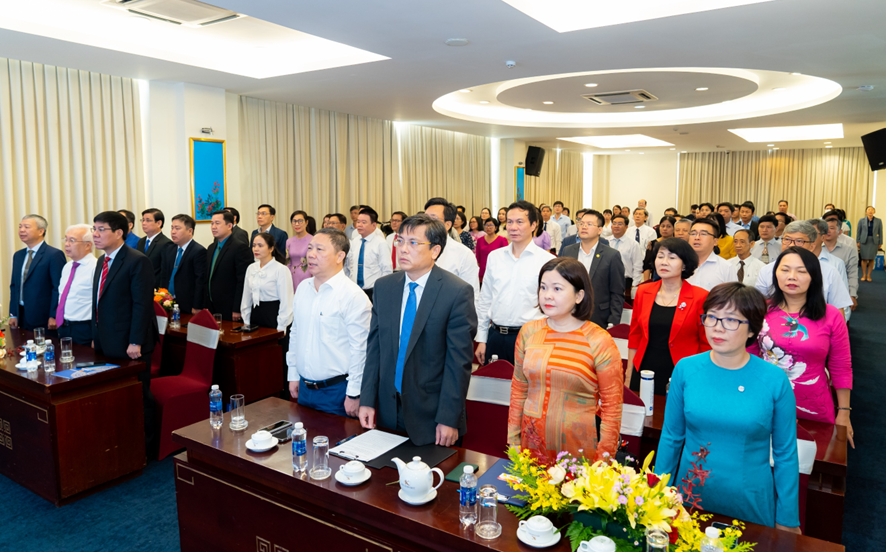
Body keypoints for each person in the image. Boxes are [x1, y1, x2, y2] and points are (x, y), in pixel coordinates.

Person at [655, 283, 800, 531]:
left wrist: (787, 517)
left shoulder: (774, 380)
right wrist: (657, 494)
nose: (717, 328)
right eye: (711, 317)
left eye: (731, 320)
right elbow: (671, 437)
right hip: (689, 496)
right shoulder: (686, 369)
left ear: (753, 329)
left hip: (748, 500)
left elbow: (786, 454)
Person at [359, 215, 478, 446]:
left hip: (432, 415)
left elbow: (458, 363)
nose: (403, 249)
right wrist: (367, 400)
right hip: (387, 410)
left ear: (435, 250)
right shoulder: (384, 288)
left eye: (413, 243)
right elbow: (374, 350)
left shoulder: (456, 292)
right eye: (400, 241)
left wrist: (449, 417)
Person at [508, 258, 623, 461]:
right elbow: (519, 388)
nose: (547, 295)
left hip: (578, 449)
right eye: (543, 288)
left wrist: (604, 459)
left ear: (579, 295)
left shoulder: (599, 341)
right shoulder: (529, 332)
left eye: (557, 288)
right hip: (531, 444)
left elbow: (612, 407)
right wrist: (513, 439)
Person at [749, 248, 854, 446]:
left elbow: (841, 367)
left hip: (813, 404)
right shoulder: (761, 309)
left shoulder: (831, 316)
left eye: (802, 271)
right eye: (785, 269)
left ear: (814, 276)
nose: (792, 276)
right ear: (775, 274)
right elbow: (749, 356)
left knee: (810, 467)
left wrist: (844, 412)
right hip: (762, 401)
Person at [91, 211, 159, 450]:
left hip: (131, 344)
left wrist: (136, 341)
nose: (95, 235)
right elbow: (98, 301)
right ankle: (124, 444)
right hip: (106, 340)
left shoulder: (137, 260)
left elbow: (142, 304)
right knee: (116, 395)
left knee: (139, 395)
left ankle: (147, 446)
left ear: (119, 233)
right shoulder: (102, 260)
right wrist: (95, 334)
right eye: (94, 229)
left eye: (101, 230)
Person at [287, 229, 371, 416]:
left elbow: (360, 350)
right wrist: (293, 374)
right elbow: (295, 334)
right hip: (304, 387)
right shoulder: (303, 288)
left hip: (337, 392)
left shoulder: (353, 296)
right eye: (310, 248)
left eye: (319, 249)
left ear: (340, 256)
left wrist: (354, 394)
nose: (311, 254)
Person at [475, 201, 555, 365]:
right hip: (496, 336)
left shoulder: (547, 261)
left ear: (533, 225)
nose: (513, 227)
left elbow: (552, 305)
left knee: (529, 389)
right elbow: (485, 299)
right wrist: (482, 339)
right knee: (494, 388)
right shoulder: (495, 257)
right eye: (509, 222)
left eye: (519, 222)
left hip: (532, 338)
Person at [626, 238, 709, 395]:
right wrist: (629, 373)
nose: (664, 262)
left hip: (682, 372)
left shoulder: (700, 297)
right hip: (644, 371)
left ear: (684, 264)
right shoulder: (644, 291)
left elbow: (706, 343)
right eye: (660, 256)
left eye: (671, 258)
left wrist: (702, 377)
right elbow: (635, 335)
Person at [755, 221, 852, 317]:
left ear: (812, 246)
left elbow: (839, 310)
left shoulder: (829, 272)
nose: (791, 245)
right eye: (787, 239)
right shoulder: (767, 270)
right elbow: (759, 306)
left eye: (799, 241)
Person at [561, 210, 625, 328]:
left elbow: (617, 292)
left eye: (589, 224)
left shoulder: (611, 255)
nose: (584, 226)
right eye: (581, 223)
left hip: (599, 317)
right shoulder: (568, 251)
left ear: (600, 230)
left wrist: (613, 321)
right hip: (568, 315)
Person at [8, 215, 65, 331]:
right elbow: (14, 286)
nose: (21, 230)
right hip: (21, 315)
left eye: (26, 227)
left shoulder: (54, 255)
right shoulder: (18, 255)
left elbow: (58, 288)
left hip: (43, 317)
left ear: (41, 231)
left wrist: (54, 315)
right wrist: (13, 314)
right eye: (20, 227)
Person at [424, 198, 481, 300]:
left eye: (433, 219)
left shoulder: (464, 254)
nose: (425, 223)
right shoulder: (414, 249)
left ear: (448, 224)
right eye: (424, 218)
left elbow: (471, 295)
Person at [206, 210, 253, 321]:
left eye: (217, 223)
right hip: (212, 306)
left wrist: (237, 308)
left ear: (229, 225)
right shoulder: (211, 248)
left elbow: (242, 280)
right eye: (212, 223)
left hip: (230, 307)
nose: (213, 227)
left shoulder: (239, 247)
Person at [55, 224, 97, 345]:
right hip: (64, 327)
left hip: (84, 329)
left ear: (88, 245)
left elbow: (101, 305)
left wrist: (96, 336)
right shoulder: (68, 266)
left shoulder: (95, 267)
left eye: (72, 240)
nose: (67, 244)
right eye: (66, 239)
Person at [160, 214, 207, 314]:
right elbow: (164, 276)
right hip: (168, 302)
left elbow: (200, 281)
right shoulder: (168, 249)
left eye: (177, 228)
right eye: (172, 228)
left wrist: (197, 306)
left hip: (188, 304)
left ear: (190, 231)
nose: (173, 232)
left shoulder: (198, 251)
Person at [346, 206, 392, 302]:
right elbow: (349, 266)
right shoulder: (354, 242)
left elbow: (387, 270)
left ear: (374, 225)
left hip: (373, 291)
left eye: (364, 222)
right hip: (355, 291)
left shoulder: (381, 243)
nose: (359, 225)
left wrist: (382, 290)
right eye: (358, 222)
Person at [687, 218, 739, 291]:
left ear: (715, 241)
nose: (697, 237)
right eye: (693, 233)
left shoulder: (726, 267)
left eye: (703, 234)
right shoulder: (680, 265)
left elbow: (733, 298)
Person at [823, 211, 859, 309]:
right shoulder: (814, 248)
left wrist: (852, 295)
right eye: (825, 228)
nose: (828, 231)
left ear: (840, 232)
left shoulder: (849, 250)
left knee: (840, 320)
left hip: (840, 292)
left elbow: (852, 273)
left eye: (832, 228)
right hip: (819, 292)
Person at [136, 208, 174, 288]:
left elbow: (165, 272)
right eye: (142, 220)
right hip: (140, 286)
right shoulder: (141, 242)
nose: (144, 223)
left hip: (156, 290)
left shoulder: (166, 243)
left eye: (148, 220)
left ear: (159, 223)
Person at [607, 214, 644, 297]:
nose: (616, 226)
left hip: (625, 281)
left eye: (620, 224)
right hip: (606, 279)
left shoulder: (633, 244)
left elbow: (637, 266)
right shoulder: (605, 242)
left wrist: (634, 285)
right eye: (614, 223)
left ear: (626, 227)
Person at [286, 210, 313, 291]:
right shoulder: (289, 241)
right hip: (292, 276)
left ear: (306, 222)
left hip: (308, 276)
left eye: (300, 221)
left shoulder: (312, 240)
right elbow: (287, 261)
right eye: (294, 221)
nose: (297, 224)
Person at [475, 218, 508, 282]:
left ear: (496, 227)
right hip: (483, 271)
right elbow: (478, 258)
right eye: (486, 225)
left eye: (491, 225)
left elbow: (506, 257)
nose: (488, 227)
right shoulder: (480, 240)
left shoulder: (502, 240)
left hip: (497, 270)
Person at [643, 216, 675, 280]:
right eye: (662, 226)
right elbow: (647, 265)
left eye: (668, 226)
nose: (665, 229)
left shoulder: (678, 244)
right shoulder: (652, 243)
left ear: (674, 228)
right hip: (656, 278)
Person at [857, 206, 882, 282]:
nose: (870, 211)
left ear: (874, 212)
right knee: (864, 258)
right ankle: (864, 274)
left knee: (871, 259)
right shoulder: (861, 220)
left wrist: (880, 242)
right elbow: (859, 231)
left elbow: (880, 232)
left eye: (872, 210)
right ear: (866, 212)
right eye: (868, 209)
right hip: (864, 241)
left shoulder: (878, 221)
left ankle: (869, 275)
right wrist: (858, 241)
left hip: (874, 241)